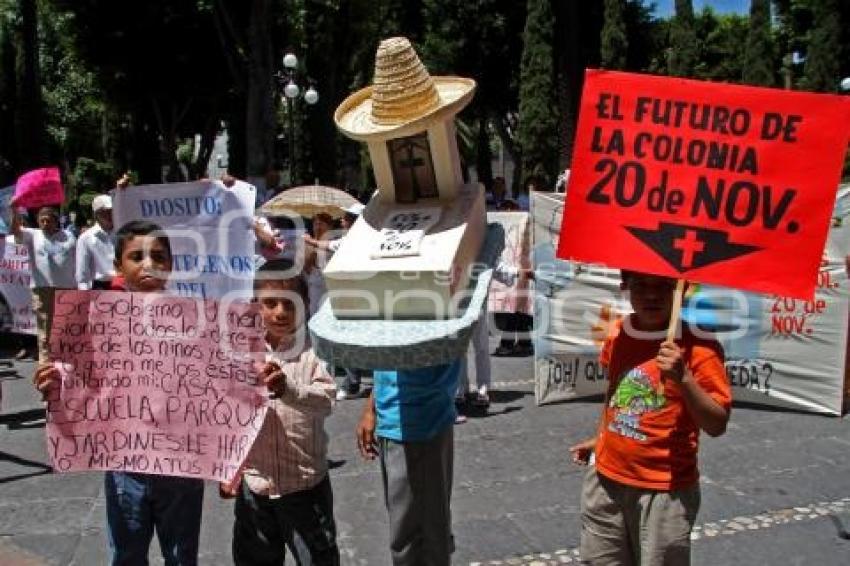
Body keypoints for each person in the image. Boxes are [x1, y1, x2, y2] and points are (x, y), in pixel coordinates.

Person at [34, 220, 205, 565]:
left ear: (171, 264)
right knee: (126, 555)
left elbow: (217, 389)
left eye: (158, 256)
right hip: (125, 467)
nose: (148, 265)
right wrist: (53, 383)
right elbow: (80, 382)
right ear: (117, 266)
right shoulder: (95, 323)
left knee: (182, 556)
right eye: (136, 256)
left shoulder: (198, 321)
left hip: (182, 468)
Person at [570, 271, 731, 566]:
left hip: (663, 490)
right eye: (641, 285)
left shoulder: (701, 347)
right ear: (625, 286)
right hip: (606, 480)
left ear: (682, 291)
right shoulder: (619, 332)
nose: (652, 295)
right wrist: (602, 437)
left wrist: (684, 378)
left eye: (664, 287)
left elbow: (717, 423)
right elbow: (615, 396)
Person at [232, 258, 340, 565]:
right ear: (255, 306)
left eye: (289, 304)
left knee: (318, 559)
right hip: (255, 485)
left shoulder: (316, 349)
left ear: (305, 304)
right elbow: (228, 418)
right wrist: (230, 469)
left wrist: (288, 389)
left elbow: (327, 400)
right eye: (270, 303)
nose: (280, 312)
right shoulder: (241, 353)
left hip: (305, 486)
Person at [356, 359, 462, 565]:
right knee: (409, 528)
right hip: (393, 418)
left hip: (419, 422)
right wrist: (372, 407)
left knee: (417, 537)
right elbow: (389, 352)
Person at [303, 203, 366, 400]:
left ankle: (352, 381)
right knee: (329, 336)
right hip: (331, 295)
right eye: (314, 222)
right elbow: (307, 267)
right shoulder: (344, 238)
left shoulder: (352, 239)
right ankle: (336, 379)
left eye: (346, 217)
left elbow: (329, 247)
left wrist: (311, 242)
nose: (342, 219)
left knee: (344, 338)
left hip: (344, 295)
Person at [12, 206, 77, 363]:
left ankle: (64, 362)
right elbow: (15, 231)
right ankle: (46, 365)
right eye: (42, 220)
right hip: (43, 289)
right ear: (38, 222)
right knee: (45, 329)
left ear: (56, 221)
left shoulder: (69, 236)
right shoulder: (32, 235)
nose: (45, 223)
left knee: (65, 327)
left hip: (67, 289)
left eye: (49, 220)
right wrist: (15, 211)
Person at [76, 194, 116, 290]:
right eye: (104, 212)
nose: (109, 215)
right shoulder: (86, 238)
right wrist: (84, 292)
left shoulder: (122, 234)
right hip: (100, 286)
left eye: (111, 211)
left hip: (121, 285)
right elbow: (82, 271)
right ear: (96, 215)